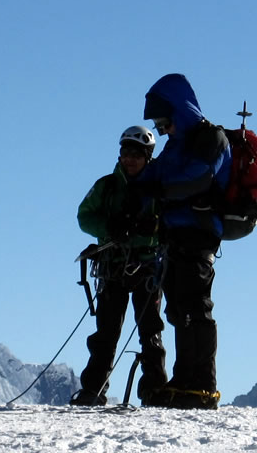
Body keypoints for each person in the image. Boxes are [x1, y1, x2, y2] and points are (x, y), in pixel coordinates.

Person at [133, 74, 230, 409]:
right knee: (178, 309)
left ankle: (203, 384)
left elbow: (199, 177)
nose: (163, 130)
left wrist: (159, 191)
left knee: (196, 308)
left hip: (200, 237)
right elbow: (156, 175)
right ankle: (184, 379)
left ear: (180, 111)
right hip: (174, 237)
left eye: (164, 122)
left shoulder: (211, 138)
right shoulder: (177, 146)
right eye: (158, 126)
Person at [70, 126, 168, 406]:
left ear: (147, 156)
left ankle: (154, 389)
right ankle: (94, 388)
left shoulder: (159, 189)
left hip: (147, 266)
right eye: (126, 152)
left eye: (136, 154)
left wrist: (157, 227)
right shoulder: (107, 186)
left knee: (150, 330)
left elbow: (171, 224)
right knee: (106, 332)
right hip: (114, 267)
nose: (130, 159)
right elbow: (84, 216)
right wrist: (110, 226)